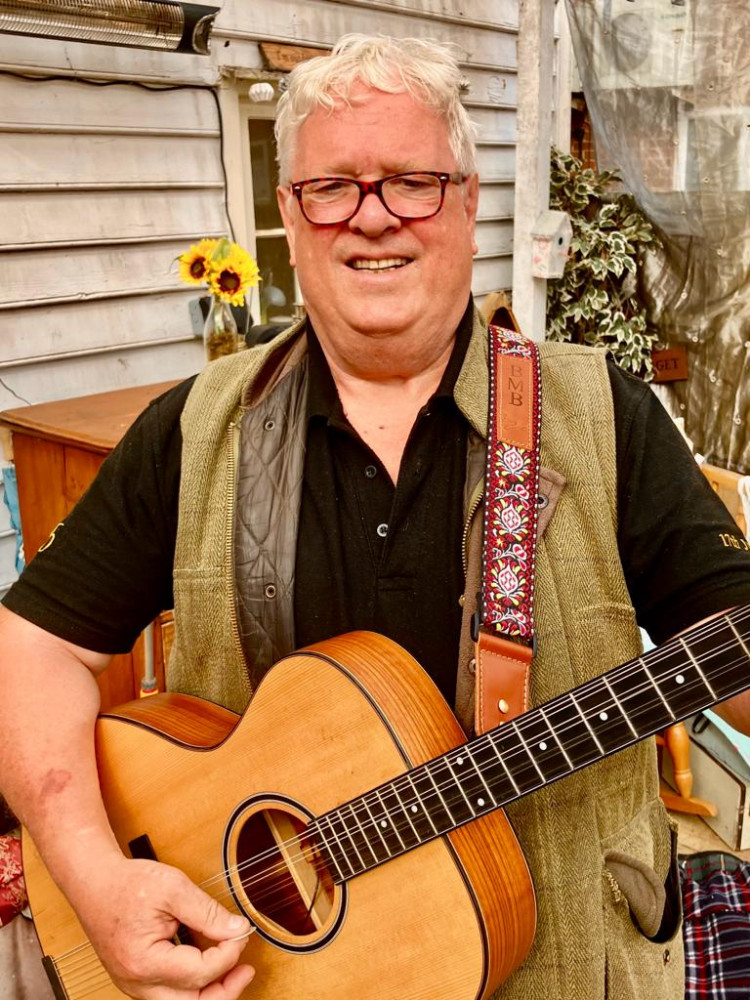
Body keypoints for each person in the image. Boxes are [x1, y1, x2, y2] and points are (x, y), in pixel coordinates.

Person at [1, 33, 750, 1000]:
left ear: (468, 199)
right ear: (290, 212)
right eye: (334, 187)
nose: (373, 218)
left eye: (412, 181)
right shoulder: (191, 429)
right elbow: (30, 650)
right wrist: (96, 882)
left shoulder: (603, 417)